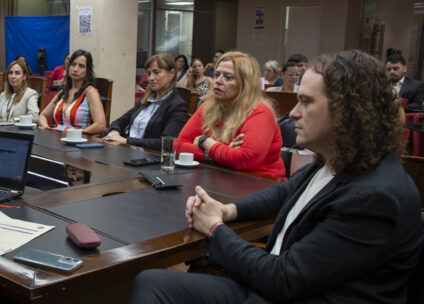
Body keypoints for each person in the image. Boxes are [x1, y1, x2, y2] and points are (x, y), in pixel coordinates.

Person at [129, 49, 422, 304]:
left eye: (305, 102)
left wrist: (216, 229)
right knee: (151, 282)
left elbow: (283, 279)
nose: (293, 113)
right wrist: (228, 210)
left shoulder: (374, 197)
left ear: (347, 112)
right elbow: (284, 192)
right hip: (278, 287)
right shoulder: (341, 162)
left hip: (288, 293)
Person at [174, 51, 285, 180]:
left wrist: (206, 141)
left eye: (228, 77)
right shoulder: (209, 106)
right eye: (217, 75)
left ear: (245, 84)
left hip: (261, 182)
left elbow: (244, 160)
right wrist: (217, 153)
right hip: (220, 177)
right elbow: (178, 146)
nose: (218, 81)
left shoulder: (261, 112)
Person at [103, 53, 188, 150]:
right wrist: (114, 133)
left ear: (171, 74)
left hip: (150, 156)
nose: (151, 78)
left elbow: (166, 143)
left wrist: (126, 141)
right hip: (128, 151)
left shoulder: (178, 105)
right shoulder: (146, 99)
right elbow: (119, 122)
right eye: (149, 73)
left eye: (156, 72)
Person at [38, 49, 107, 134]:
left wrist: (76, 134)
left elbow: (100, 125)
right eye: (73, 64)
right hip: (55, 138)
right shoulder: (62, 92)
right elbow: (43, 116)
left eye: (81, 66)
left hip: (77, 139)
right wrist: (46, 128)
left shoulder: (90, 92)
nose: (76, 69)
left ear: (88, 70)